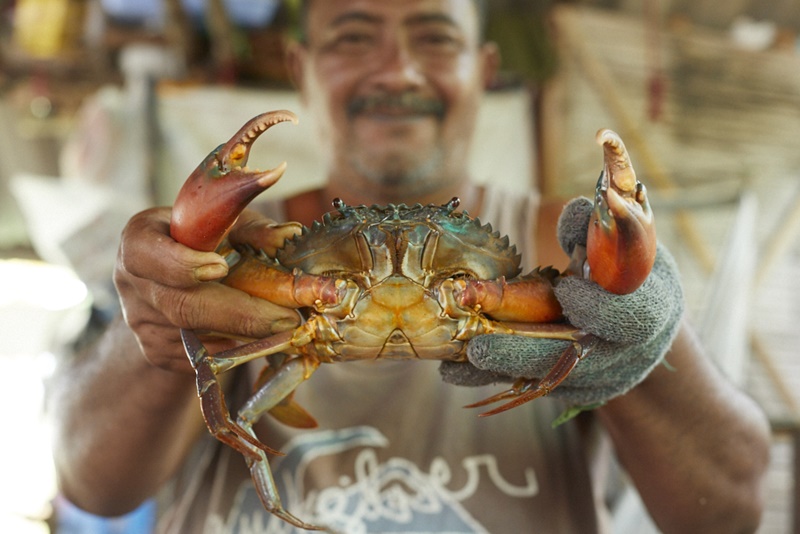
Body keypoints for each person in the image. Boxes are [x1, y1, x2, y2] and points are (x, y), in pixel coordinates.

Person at [50, 1, 771, 533]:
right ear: (301, 69)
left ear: (483, 70)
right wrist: (159, 323)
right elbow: (93, 486)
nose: (396, 69)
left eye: (434, 35)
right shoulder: (231, 259)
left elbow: (732, 509)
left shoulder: (562, 248)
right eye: (355, 35)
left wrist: (641, 326)